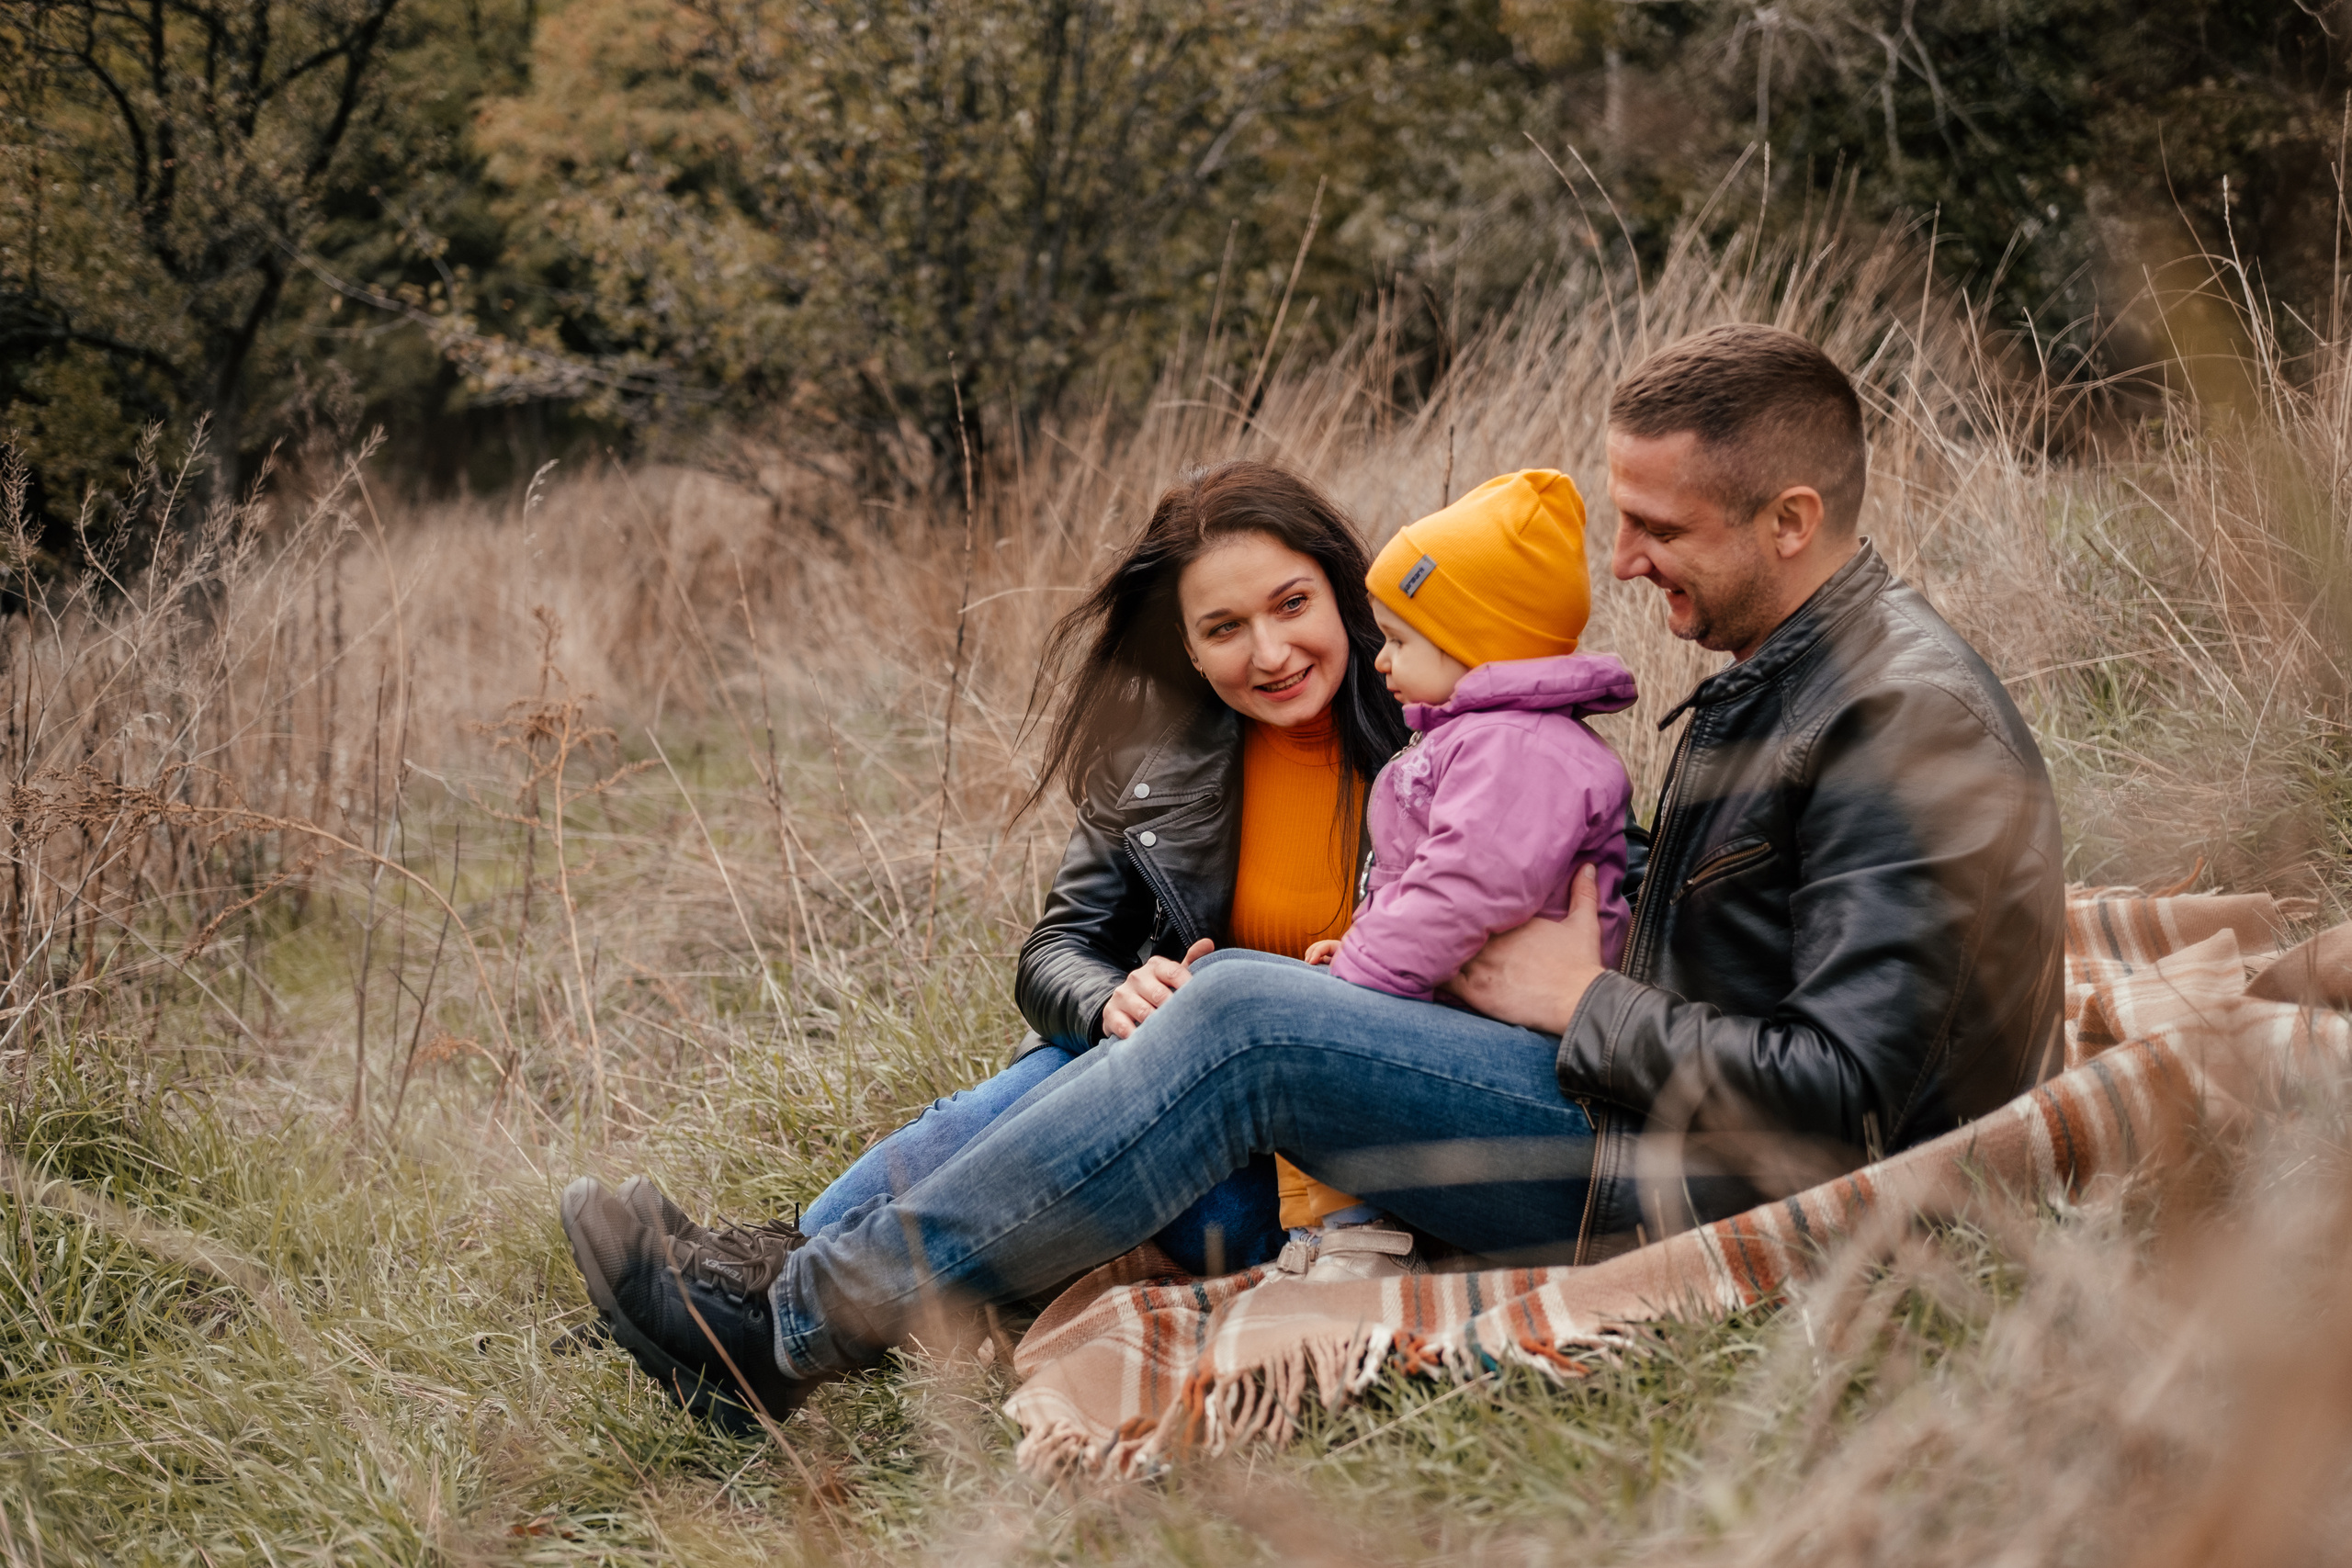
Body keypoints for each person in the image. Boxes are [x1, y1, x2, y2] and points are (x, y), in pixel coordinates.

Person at [558, 322, 2066, 1432]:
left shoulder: (1895, 718)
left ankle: (790, 1329)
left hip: (1686, 1168)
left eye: (1660, 528)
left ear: (1791, 520)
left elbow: (1850, 1096)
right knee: (1203, 1007)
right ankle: (777, 1273)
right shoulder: (1791, 668)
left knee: (1246, 1020)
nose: (1626, 559)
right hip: (1635, 1105)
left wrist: (1583, 999)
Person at [564, 458, 1410, 1426]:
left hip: (1317, 1193)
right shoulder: (1160, 764)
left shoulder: (1436, 746)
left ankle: (760, 1292)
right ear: (1184, 643)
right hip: (1149, 1136)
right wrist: (1108, 998)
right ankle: (745, 1292)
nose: (1269, 652)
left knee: (1082, 1077)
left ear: (1343, 589)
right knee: (1085, 1051)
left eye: (1290, 604)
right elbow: (1055, 953)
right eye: (1224, 628)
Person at [1277, 468, 1638, 1276]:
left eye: (1401, 640)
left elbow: (1467, 889)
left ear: (1478, 642)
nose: (1381, 661)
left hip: (1523, 1044)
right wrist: (1363, 943)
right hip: (1479, 1006)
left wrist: (1365, 980)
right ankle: (1344, 1225)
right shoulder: (1478, 738)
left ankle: (1365, 1235)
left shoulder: (1519, 748)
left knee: (1281, 1021)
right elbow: (1420, 880)